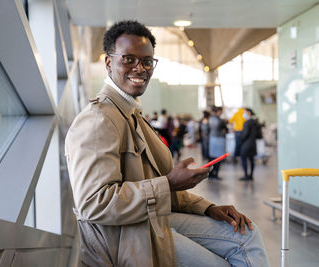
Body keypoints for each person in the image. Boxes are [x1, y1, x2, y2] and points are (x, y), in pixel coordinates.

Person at [65, 20, 269, 267]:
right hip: (125, 237)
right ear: (109, 62)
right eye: (129, 59)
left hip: (146, 220)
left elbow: (157, 187)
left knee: (246, 234)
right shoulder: (99, 119)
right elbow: (93, 204)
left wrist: (207, 207)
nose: (140, 68)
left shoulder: (131, 114)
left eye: (147, 61)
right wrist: (169, 182)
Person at [239, 108, 259, 181]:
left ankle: (246, 175)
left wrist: (240, 139)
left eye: (245, 112)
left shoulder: (247, 123)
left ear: (249, 113)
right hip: (253, 144)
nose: (244, 114)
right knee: (251, 160)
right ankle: (251, 175)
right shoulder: (255, 122)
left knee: (243, 158)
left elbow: (245, 134)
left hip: (246, 144)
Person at [208, 106, 227, 179]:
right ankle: (215, 174)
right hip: (219, 140)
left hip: (212, 139)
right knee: (218, 158)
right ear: (218, 111)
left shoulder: (210, 119)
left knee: (212, 158)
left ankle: (210, 174)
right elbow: (225, 128)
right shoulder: (220, 120)